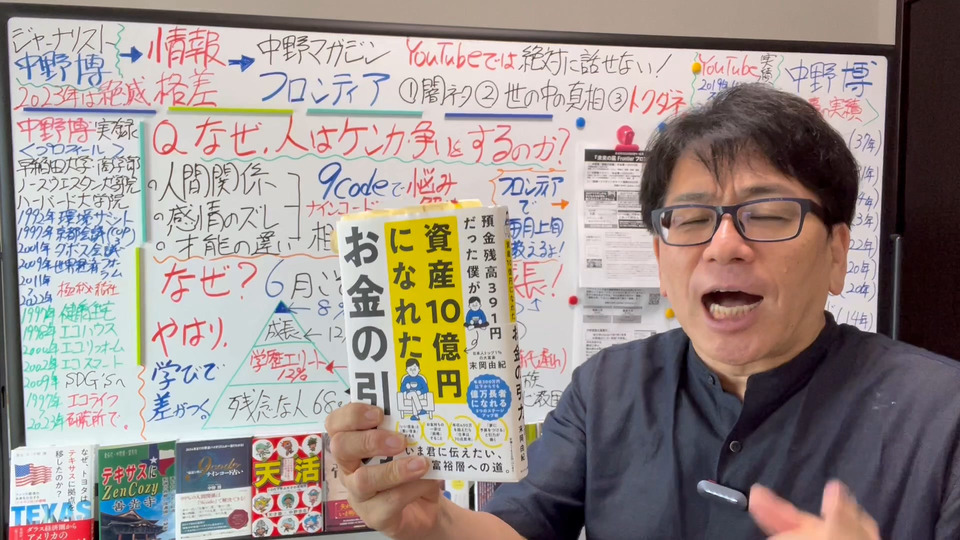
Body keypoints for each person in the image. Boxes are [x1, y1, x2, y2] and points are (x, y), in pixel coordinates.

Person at [324, 84, 960, 540]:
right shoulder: (607, 388)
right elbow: (519, 527)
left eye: (767, 214)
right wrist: (432, 521)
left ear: (837, 252)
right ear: (660, 256)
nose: (724, 245)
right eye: (691, 218)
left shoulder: (943, 416)